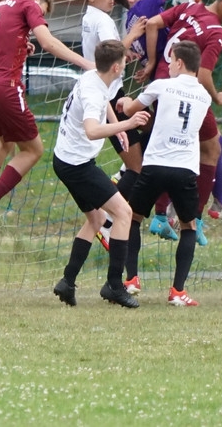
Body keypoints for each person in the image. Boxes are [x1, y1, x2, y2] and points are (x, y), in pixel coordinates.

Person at [114, 0, 222, 239]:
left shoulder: (131, 20)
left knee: (159, 139)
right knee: (210, 146)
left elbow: (161, 29)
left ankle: (155, 207)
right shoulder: (148, 7)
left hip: (161, 82)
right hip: (175, 82)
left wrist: (150, 61)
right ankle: (202, 213)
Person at [0, 0, 94, 237]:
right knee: (34, 150)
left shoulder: (0, 6)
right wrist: (86, 64)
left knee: (5, 142)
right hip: (5, 87)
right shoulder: (29, 4)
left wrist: (18, 42)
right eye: (42, 13)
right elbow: (48, 42)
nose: (38, 20)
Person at [140, 0, 222, 252]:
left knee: (181, 146)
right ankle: (195, 219)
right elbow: (203, 75)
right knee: (211, 149)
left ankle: (162, 215)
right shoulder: (217, 32)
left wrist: (152, 62)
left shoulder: (190, 7)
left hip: (160, 89)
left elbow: (152, 23)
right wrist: (217, 96)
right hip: (184, 93)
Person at [51, 40, 151, 308]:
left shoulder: (93, 76)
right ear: (116, 67)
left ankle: (67, 282)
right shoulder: (93, 93)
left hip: (65, 160)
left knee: (96, 219)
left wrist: (117, 125)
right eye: (125, 61)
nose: (126, 65)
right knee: (124, 213)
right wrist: (128, 124)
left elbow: (105, 100)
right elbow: (92, 130)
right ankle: (114, 285)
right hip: (77, 166)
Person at [117, 40, 212, 307]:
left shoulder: (162, 85)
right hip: (185, 169)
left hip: (156, 164)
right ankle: (178, 291)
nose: (168, 66)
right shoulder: (204, 96)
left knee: (132, 217)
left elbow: (130, 110)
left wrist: (125, 101)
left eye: (170, 61)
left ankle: (131, 279)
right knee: (188, 226)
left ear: (179, 62)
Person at [79, 0, 149, 249]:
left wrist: (125, 53)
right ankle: (107, 220)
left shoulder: (89, 18)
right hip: (110, 98)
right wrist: (132, 36)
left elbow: (106, 55)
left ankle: (118, 183)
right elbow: (111, 53)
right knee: (138, 167)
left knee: (143, 146)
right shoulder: (104, 21)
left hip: (107, 95)